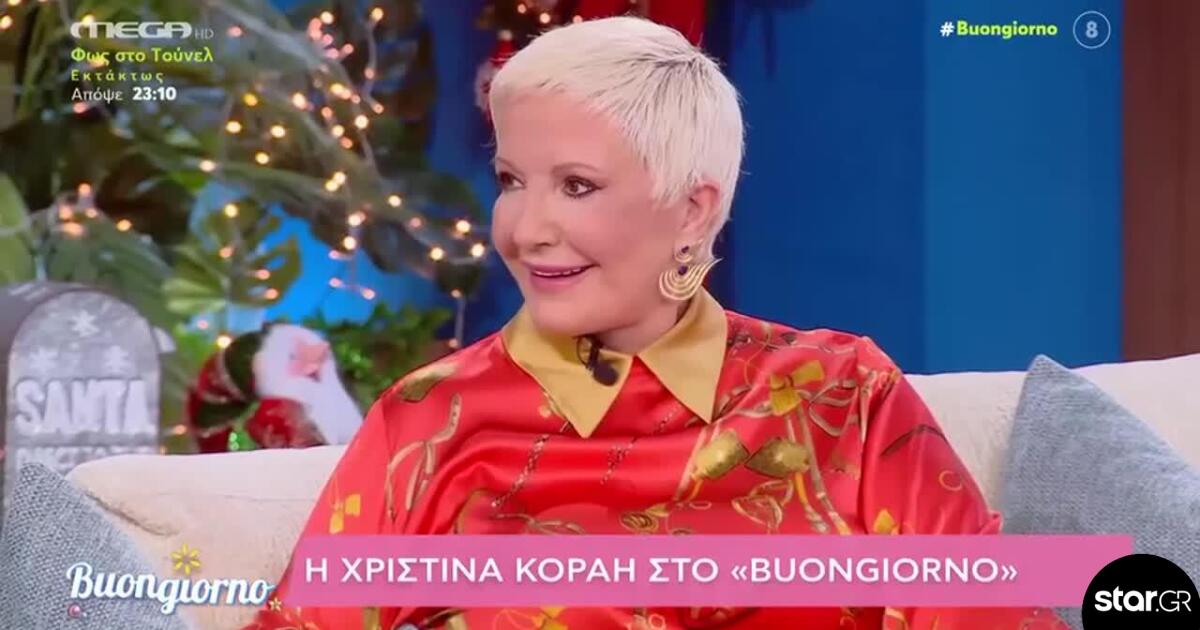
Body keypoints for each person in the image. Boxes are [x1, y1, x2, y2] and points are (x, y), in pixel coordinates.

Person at [246, 16, 1068, 630]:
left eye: (576, 186)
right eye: (511, 180)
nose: (525, 229)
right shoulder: (428, 422)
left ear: (693, 209)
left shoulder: (846, 396)